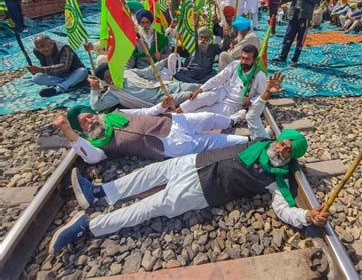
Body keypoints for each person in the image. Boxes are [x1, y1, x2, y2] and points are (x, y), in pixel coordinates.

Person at [48, 73, 329, 254]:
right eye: (283, 142)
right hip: (191, 162)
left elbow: (284, 209)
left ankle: (88, 227)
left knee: (147, 208)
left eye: (288, 151)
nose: (282, 148)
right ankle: (100, 192)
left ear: (291, 158)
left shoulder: (276, 179)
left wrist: (306, 217)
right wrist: (266, 93)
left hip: (202, 190)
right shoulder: (259, 140)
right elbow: (254, 114)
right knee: (145, 175)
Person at [50, 96, 248, 166]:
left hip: (172, 121)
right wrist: (69, 132)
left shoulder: (114, 113)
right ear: (82, 131)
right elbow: (91, 157)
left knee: (208, 118)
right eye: (84, 123)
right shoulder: (96, 144)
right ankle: (248, 140)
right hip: (166, 145)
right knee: (210, 143)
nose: (90, 121)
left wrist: (162, 105)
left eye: (89, 116)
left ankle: (232, 119)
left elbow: (146, 111)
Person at [177, 45, 267, 117]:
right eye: (242, 58)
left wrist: (251, 101)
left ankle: (180, 119)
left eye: (247, 59)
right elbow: (219, 78)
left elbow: (262, 95)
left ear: (254, 60)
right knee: (198, 98)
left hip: (232, 104)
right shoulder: (235, 65)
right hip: (221, 92)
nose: (243, 61)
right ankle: (175, 113)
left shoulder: (259, 75)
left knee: (204, 114)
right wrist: (200, 90)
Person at [272, 0, 322, 67]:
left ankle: (294, 60)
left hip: (305, 15)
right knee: (288, 36)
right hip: (293, 14)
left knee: (300, 40)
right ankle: (282, 56)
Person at [88, 62, 197, 111]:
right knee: (192, 95)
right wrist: (93, 88)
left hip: (168, 86)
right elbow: (96, 106)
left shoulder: (128, 72)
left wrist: (163, 62)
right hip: (163, 100)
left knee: (196, 87)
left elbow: (147, 72)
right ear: (104, 81)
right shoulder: (114, 93)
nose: (111, 77)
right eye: (107, 77)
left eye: (111, 73)